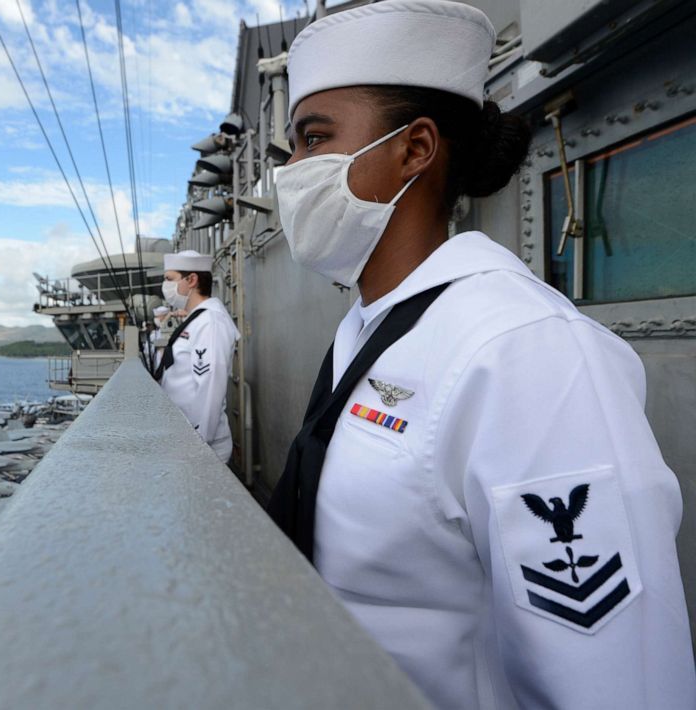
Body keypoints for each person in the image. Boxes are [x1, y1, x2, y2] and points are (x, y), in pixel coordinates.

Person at [266, 2, 695, 708]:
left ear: (416, 147)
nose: (293, 170)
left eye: (315, 138)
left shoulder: (525, 352)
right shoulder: (371, 326)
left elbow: (617, 676)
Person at [155, 250, 239, 463]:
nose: (166, 286)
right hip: (184, 438)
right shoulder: (197, 319)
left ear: (191, 280)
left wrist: (199, 445)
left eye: (169, 279)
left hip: (201, 446)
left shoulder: (211, 322)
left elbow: (210, 387)